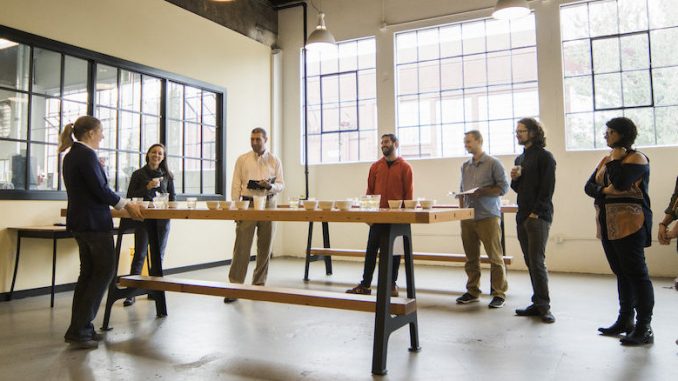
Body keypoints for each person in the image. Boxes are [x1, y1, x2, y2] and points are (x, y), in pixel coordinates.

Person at [58, 116, 143, 349]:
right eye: (101, 131)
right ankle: (80, 329)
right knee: (104, 272)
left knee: (87, 275)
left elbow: (91, 188)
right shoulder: (86, 155)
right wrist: (126, 204)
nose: (103, 136)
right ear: (91, 133)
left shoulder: (71, 155)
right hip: (94, 223)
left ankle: (80, 328)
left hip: (80, 222)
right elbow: (100, 189)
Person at [584, 117, 654, 346]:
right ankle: (625, 320)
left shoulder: (637, 158)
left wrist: (614, 165)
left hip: (630, 225)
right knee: (621, 273)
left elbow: (622, 183)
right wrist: (606, 191)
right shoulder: (607, 159)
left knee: (637, 275)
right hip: (607, 225)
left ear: (622, 134)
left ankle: (644, 327)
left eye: (610, 132)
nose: (605, 135)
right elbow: (588, 187)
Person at [346, 133, 413, 297]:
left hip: (396, 218)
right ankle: (365, 285)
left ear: (395, 144)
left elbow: (408, 195)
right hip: (377, 217)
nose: (383, 145)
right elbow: (369, 192)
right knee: (371, 251)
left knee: (395, 253)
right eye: (382, 142)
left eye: (387, 142)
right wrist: (367, 214)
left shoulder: (405, 167)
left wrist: (405, 217)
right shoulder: (375, 167)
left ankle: (391, 285)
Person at [225, 127, 284, 302]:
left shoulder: (274, 160)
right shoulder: (242, 159)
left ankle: (258, 286)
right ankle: (234, 287)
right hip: (247, 203)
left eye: (258, 139)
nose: (254, 142)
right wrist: (236, 207)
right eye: (252, 139)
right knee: (241, 247)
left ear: (266, 139)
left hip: (269, 202)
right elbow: (236, 184)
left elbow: (281, 184)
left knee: (265, 247)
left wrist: (270, 186)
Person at [456, 130, 509, 308]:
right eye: (465, 142)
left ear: (479, 141)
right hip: (468, 216)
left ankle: (499, 293)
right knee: (471, 257)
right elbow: (462, 189)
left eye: (469, 142)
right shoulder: (465, 166)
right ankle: (472, 291)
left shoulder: (493, 163)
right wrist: (461, 206)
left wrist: (483, 191)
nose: (466, 145)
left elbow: (503, 188)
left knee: (495, 257)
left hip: (488, 216)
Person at [510, 118, 556, 324]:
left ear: (534, 132)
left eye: (522, 131)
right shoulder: (520, 159)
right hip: (522, 216)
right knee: (530, 262)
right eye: (517, 131)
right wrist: (515, 179)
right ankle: (537, 302)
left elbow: (547, 188)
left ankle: (544, 306)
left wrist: (536, 213)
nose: (518, 134)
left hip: (538, 217)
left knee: (537, 261)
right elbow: (519, 189)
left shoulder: (545, 157)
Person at [123, 144, 176, 306]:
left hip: (162, 220)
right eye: (154, 152)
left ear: (163, 157)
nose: (157, 155)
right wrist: (147, 187)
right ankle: (131, 293)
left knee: (158, 256)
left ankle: (155, 290)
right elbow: (130, 196)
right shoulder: (138, 174)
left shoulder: (167, 176)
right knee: (140, 254)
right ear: (148, 154)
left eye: (160, 153)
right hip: (143, 219)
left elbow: (172, 198)